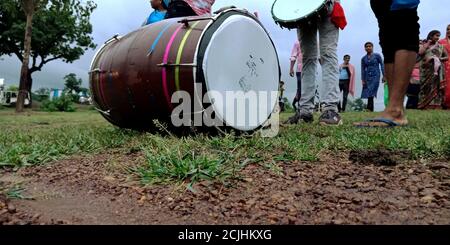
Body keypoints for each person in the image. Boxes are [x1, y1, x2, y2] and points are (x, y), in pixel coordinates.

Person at [355, 0, 420, 127]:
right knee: (387, 35)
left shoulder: (375, 56)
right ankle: (392, 105)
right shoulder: (363, 58)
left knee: (402, 16)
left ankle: (396, 109)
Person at [293, 0, 346, 126]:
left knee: (327, 54)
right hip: (303, 7)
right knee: (307, 58)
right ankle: (305, 112)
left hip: (327, 4)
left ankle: (330, 109)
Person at [418, 31, 449, 109]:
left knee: (437, 87)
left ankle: (436, 105)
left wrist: (438, 58)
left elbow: (447, 57)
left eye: (439, 36)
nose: (438, 37)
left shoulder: (440, 46)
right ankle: (424, 105)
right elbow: (420, 53)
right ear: (431, 36)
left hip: (437, 70)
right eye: (436, 35)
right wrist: (427, 44)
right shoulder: (424, 44)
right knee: (425, 87)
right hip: (425, 70)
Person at [361, 42, 385, 112]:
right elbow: (362, 69)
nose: (368, 48)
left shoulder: (377, 55)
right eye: (366, 46)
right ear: (365, 48)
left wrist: (384, 75)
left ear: (372, 47)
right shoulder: (363, 58)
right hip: (367, 76)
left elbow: (382, 65)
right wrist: (362, 79)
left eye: (369, 46)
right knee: (368, 91)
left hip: (376, 75)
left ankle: (369, 108)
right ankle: (370, 108)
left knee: (371, 90)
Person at [439, 24, 450, 108]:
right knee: (446, 84)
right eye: (447, 29)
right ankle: (445, 103)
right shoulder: (441, 42)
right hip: (445, 65)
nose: (449, 31)